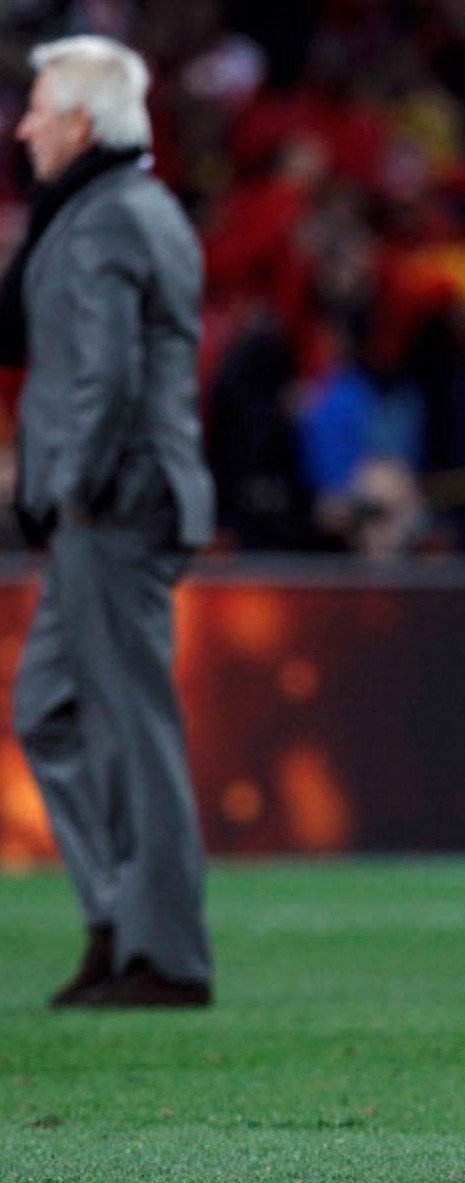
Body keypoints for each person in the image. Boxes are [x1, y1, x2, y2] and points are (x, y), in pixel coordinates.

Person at [1, 36, 215, 1007]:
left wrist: (66, 483)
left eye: (41, 108)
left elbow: (107, 372)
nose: (24, 126)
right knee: (48, 709)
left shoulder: (104, 221)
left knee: (130, 726)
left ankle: (163, 957)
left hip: (114, 504)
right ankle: (118, 922)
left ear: (82, 123)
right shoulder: (122, 208)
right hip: (118, 497)